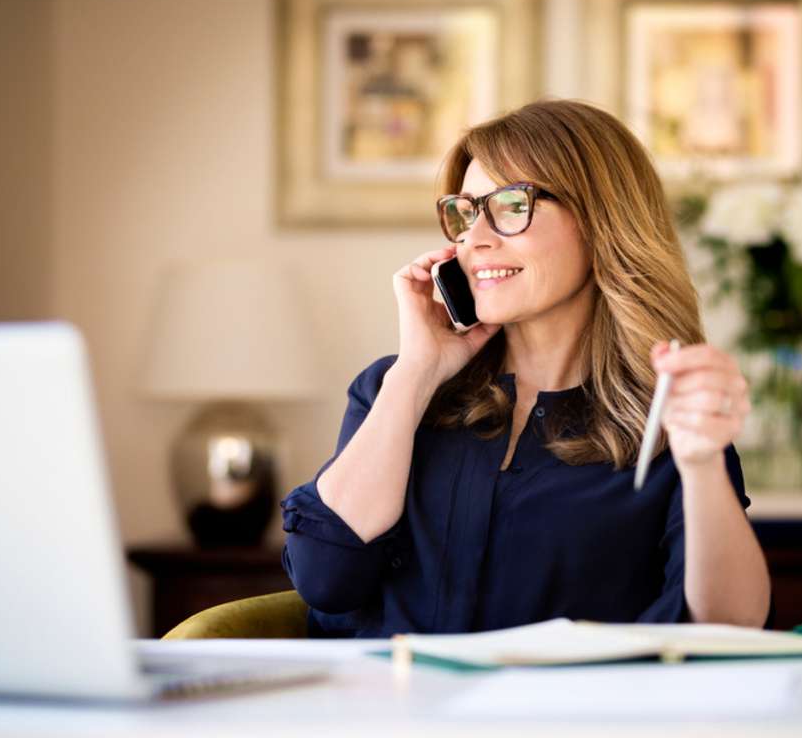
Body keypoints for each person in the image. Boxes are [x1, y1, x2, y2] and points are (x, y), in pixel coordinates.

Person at [280, 99, 771, 638]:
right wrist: (417, 372)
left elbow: (729, 625)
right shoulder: (396, 390)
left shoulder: (668, 419)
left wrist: (700, 464)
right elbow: (325, 578)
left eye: (512, 205)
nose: (474, 238)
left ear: (601, 219)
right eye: (465, 212)